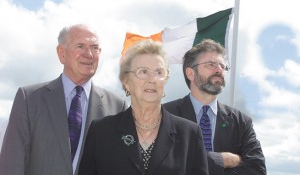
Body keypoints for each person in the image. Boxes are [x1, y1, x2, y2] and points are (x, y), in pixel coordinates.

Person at [0, 24, 127, 175]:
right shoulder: (29, 99)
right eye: (80, 46)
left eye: (95, 48)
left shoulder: (117, 106)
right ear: (61, 53)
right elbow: (12, 164)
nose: (89, 54)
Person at [78, 39, 209, 175]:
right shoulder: (101, 131)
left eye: (159, 72)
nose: (152, 79)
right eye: (143, 72)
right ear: (127, 82)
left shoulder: (190, 134)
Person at [163, 39, 266, 175]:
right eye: (211, 64)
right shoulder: (165, 115)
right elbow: (160, 166)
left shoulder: (241, 122)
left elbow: (257, 170)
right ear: (190, 73)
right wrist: (220, 160)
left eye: (222, 66)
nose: (219, 70)